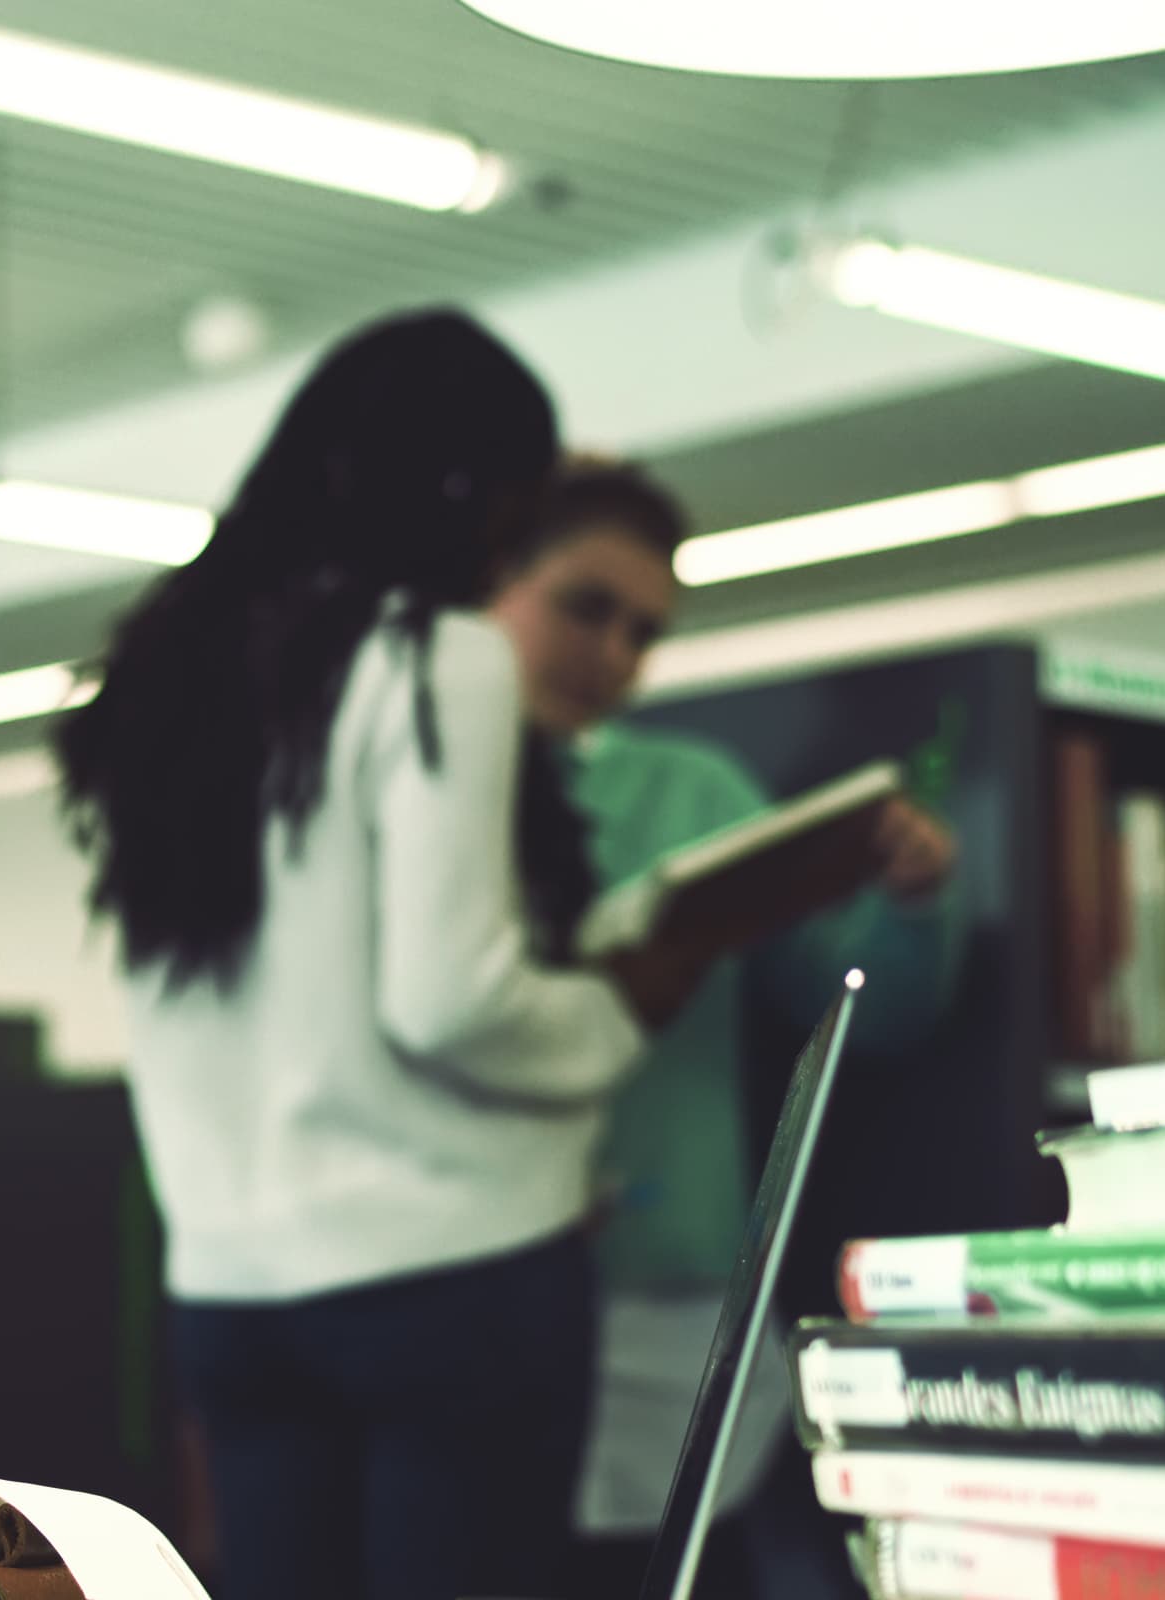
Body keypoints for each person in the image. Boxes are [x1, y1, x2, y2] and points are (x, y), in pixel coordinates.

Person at [57, 310, 769, 1600]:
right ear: (463, 486)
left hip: (229, 1293)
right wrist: (621, 1008)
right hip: (454, 1284)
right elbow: (450, 1001)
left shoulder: (152, 686)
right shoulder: (434, 655)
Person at [483, 459, 959, 1600]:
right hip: (472, 1275)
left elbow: (861, 1004)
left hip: (665, 1289)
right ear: (491, 581)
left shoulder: (690, 788)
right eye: (583, 606)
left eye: (643, 630)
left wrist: (912, 897)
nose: (612, 654)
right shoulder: (416, 789)